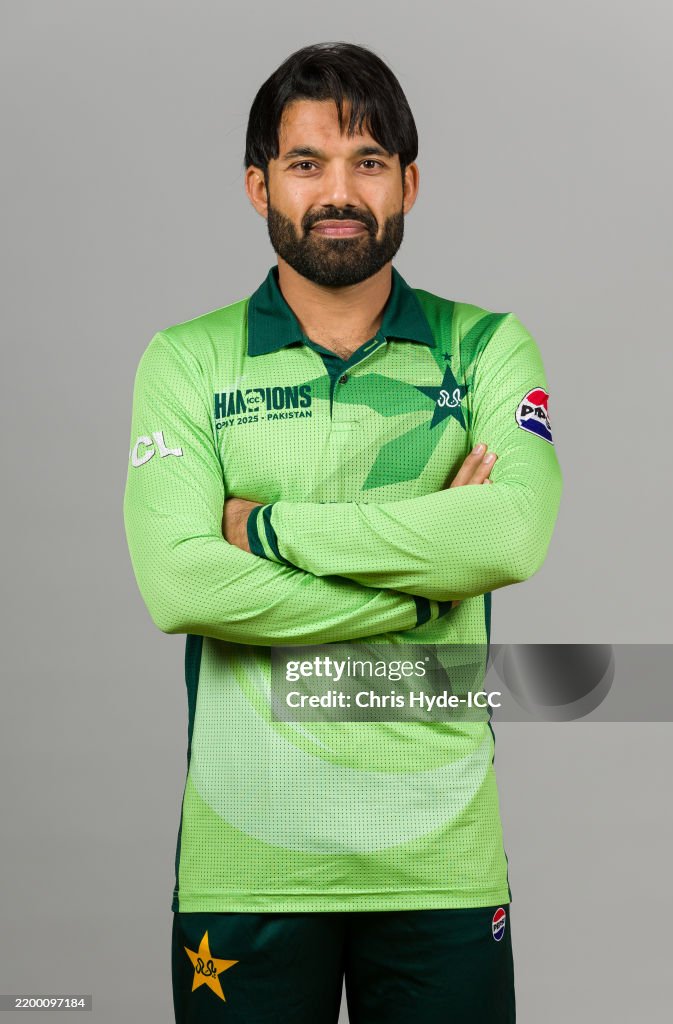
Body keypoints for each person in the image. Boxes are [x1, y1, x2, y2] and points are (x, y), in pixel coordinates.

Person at [123, 40, 562, 1024]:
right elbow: (179, 585)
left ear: (408, 182)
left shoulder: (485, 347)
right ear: (257, 185)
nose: (338, 192)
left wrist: (267, 528)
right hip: (246, 864)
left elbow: (510, 534)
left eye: (367, 161)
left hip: (438, 859)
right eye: (305, 162)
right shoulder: (187, 361)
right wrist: (422, 586)